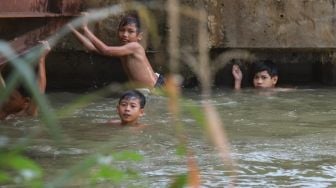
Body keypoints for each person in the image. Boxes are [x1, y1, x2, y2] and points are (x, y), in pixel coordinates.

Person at [68, 12, 165, 89]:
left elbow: (105, 50)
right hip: (148, 88)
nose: (125, 34)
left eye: (130, 31)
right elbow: (92, 48)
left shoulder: (135, 47)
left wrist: (85, 29)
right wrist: (72, 29)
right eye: (122, 30)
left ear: (139, 36)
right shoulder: (123, 50)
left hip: (156, 88)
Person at [0, 41, 50, 120]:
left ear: (26, 101)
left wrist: (41, 59)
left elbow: (40, 90)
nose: (7, 100)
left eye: (12, 98)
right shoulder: (3, 109)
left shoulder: (28, 113)